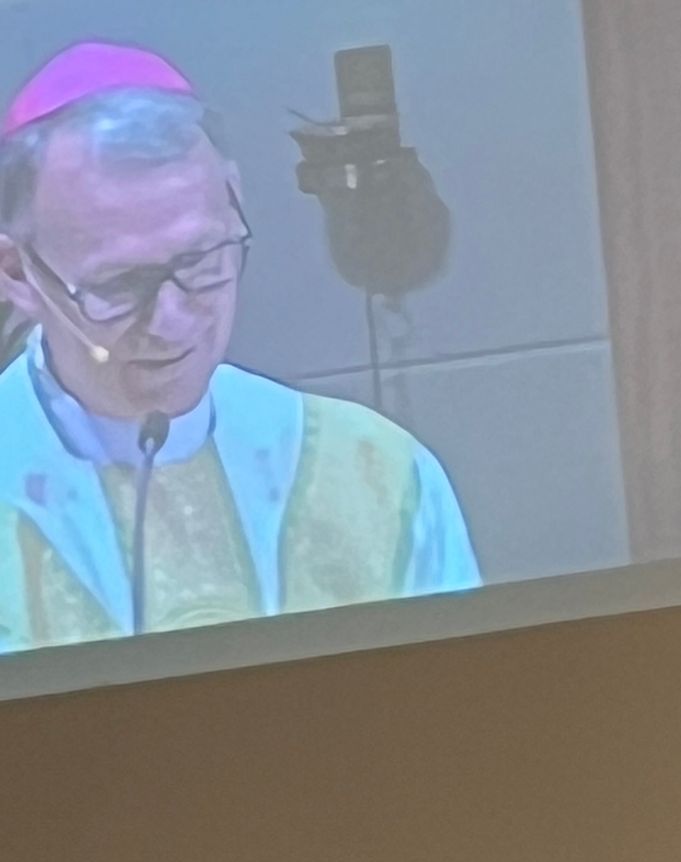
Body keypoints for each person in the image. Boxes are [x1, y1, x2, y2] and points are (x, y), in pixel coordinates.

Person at [0, 42, 478, 650]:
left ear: (235, 202)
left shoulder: (378, 475)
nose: (171, 321)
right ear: (17, 273)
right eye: (119, 284)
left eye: (200, 259)